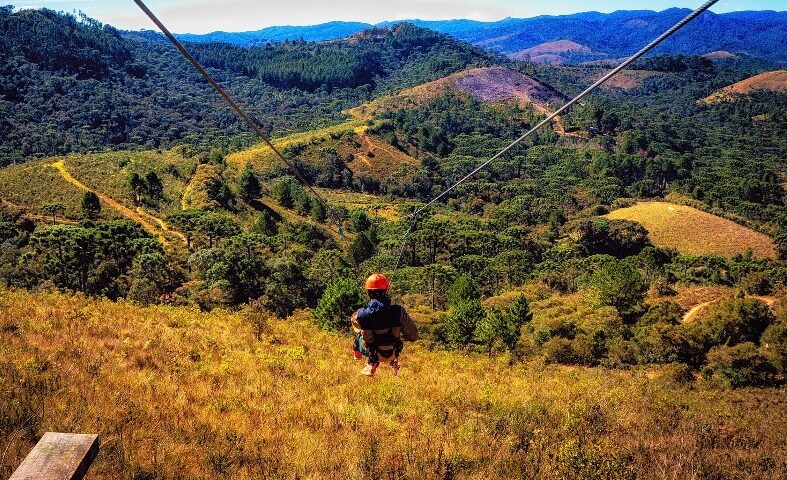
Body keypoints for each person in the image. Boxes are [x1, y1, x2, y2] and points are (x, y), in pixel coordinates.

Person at [351, 273, 418, 376]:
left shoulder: (360, 314)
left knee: (358, 335)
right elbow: (413, 336)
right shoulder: (398, 311)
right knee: (391, 340)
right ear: (386, 291)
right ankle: (391, 361)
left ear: (368, 292)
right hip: (392, 351)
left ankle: (369, 361)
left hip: (370, 351)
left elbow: (358, 329)